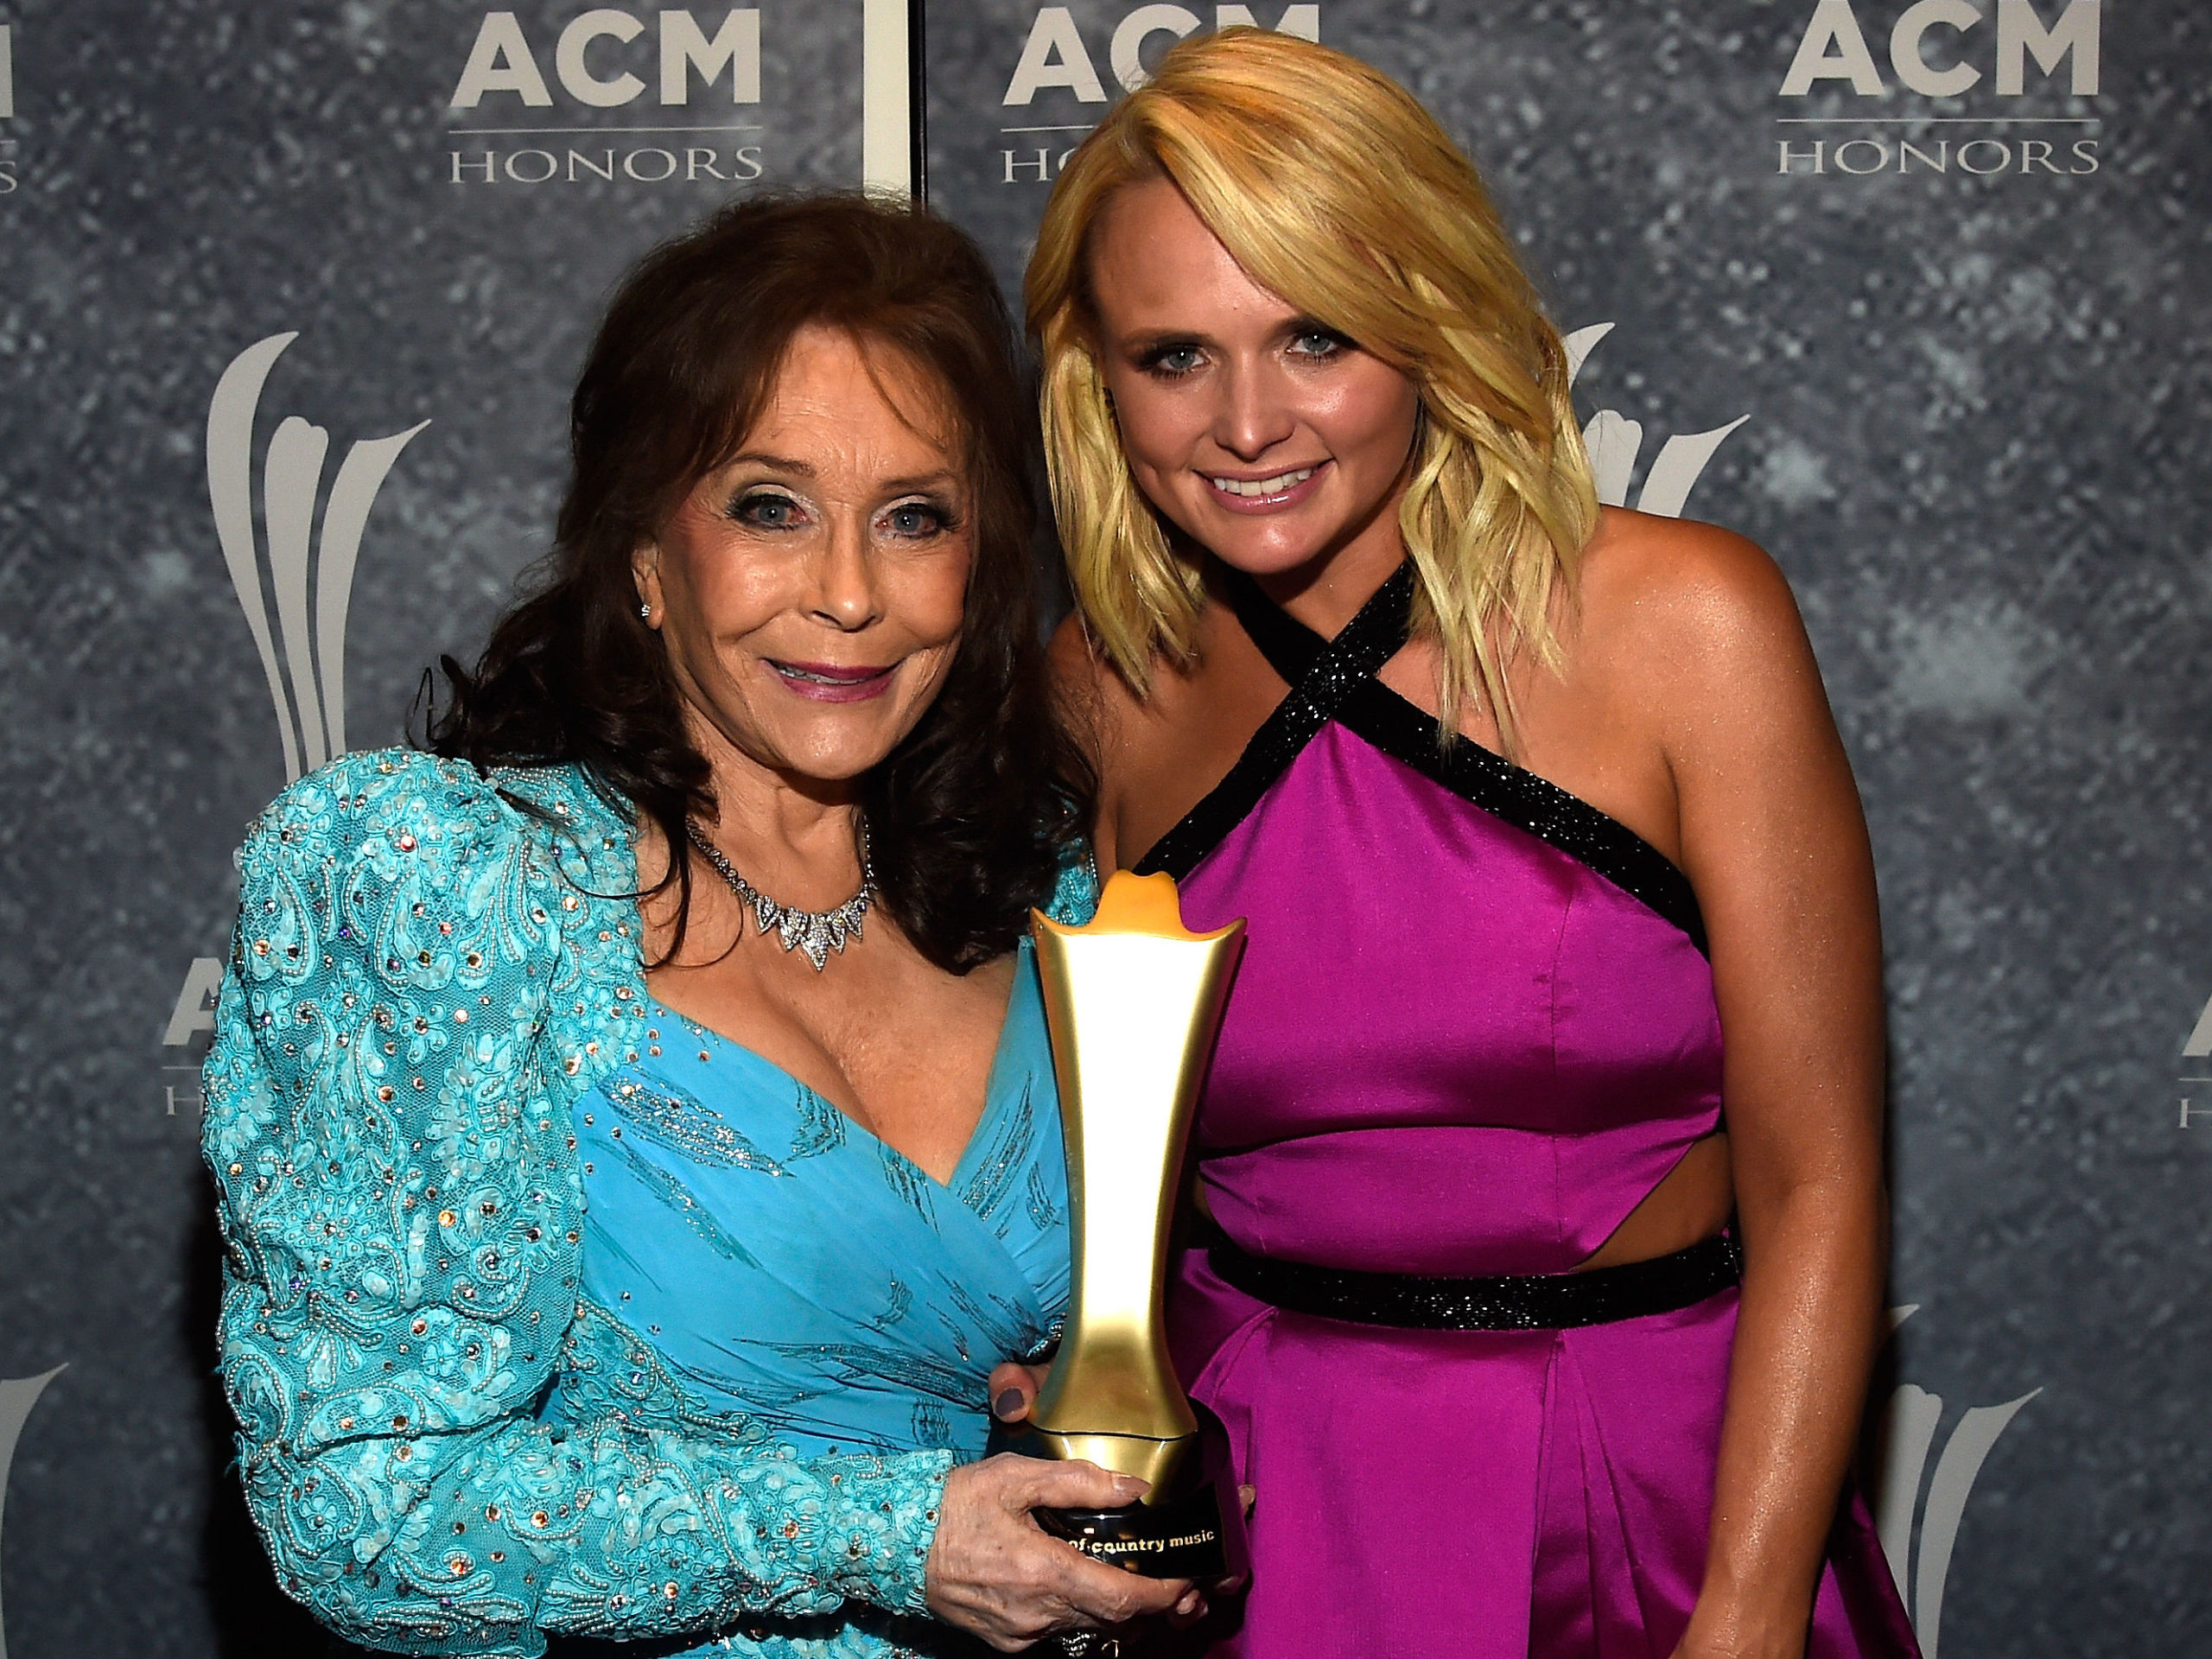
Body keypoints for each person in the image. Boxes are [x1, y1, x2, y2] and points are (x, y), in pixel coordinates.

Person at [990, 29, 1923, 1659]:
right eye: (1175, 356)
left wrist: (1752, 1606)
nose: (1249, 423)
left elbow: (1820, 1173)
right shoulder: (1098, 687)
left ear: (1428, 321)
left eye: (1316, 336)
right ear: (1096, 380)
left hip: (1651, 1481)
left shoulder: (1684, 623)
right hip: (1271, 1502)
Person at [200, 194, 1201, 1659]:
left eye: (914, 518)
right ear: (644, 555)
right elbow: (365, 1510)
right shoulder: (445, 888)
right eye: (770, 508)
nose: (850, 594)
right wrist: (895, 1535)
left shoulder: (1041, 899)